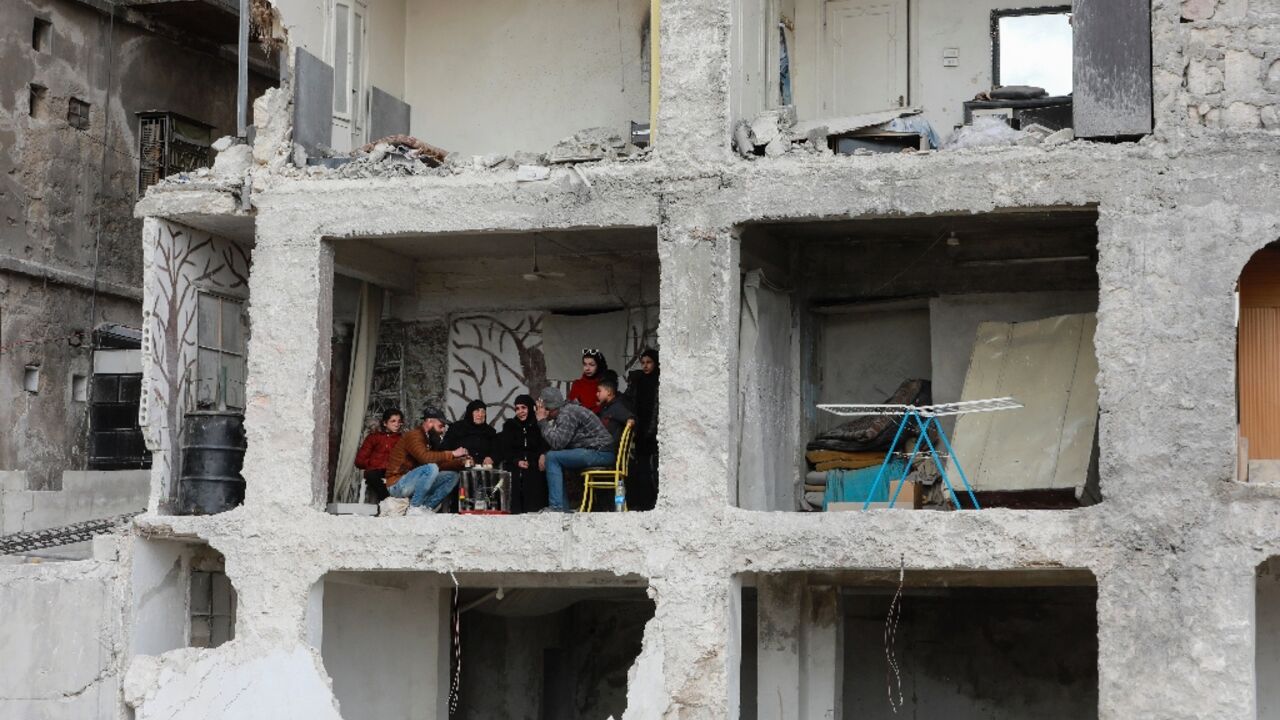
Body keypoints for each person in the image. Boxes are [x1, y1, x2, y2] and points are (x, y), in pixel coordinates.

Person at [536, 387, 615, 512]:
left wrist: (542, 421)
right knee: (552, 457)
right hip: (596, 451)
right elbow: (563, 443)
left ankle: (557, 508)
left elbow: (558, 443)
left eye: (542, 408)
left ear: (549, 409)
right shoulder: (566, 411)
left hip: (601, 452)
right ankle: (562, 508)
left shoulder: (567, 414)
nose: (540, 411)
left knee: (552, 457)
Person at [382, 406, 468, 516]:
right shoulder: (414, 435)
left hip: (412, 481)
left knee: (452, 476)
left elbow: (437, 463)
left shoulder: (429, 438)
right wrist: (452, 453)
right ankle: (415, 507)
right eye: (441, 426)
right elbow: (425, 458)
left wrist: (460, 462)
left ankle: (425, 507)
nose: (442, 430)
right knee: (431, 468)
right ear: (429, 421)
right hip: (397, 484)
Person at [497, 393, 548, 513]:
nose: (520, 412)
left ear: (530, 408)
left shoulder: (539, 425)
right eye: (517, 409)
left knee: (535, 477)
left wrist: (542, 455)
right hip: (514, 464)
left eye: (523, 408)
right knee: (513, 477)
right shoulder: (509, 426)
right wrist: (517, 461)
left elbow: (545, 445)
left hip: (534, 465)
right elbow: (506, 449)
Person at [623, 348, 660, 510]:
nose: (645, 366)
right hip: (638, 429)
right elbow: (627, 400)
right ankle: (641, 501)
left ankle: (651, 500)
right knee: (640, 466)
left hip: (654, 431)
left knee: (653, 468)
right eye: (643, 362)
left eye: (649, 362)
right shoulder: (637, 381)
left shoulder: (659, 381)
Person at [354, 408, 403, 503]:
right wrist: (373, 463)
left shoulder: (402, 439)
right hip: (376, 470)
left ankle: (404, 505)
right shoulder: (373, 437)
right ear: (385, 423)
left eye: (399, 421)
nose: (397, 424)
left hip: (394, 470)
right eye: (393, 421)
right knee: (371, 474)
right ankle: (388, 500)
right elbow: (359, 461)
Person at [443, 399, 498, 467]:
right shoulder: (457, 428)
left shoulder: (490, 431)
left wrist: (491, 458)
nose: (480, 415)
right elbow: (444, 449)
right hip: (458, 468)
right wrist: (460, 459)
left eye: (483, 412)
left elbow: (497, 451)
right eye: (477, 411)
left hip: (483, 470)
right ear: (470, 412)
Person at [595, 373, 635, 448]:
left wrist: (630, 421)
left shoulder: (616, 406)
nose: (597, 394)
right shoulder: (607, 407)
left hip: (608, 449)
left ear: (608, 392)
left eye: (599, 391)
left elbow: (631, 418)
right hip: (603, 445)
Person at [567, 349, 608, 414]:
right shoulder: (577, 384)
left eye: (592, 365)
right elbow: (571, 409)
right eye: (585, 364)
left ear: (599, 366)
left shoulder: (606, 384)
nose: (587, 368)